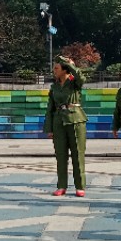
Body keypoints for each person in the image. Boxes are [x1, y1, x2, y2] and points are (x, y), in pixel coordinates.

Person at [45, 55, 87, 197]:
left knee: (77, 155)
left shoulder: (75, 82)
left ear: (64, 70)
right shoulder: (54, 86)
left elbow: (82, 79)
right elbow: (50, 108)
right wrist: (49, 128)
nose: (54, 71)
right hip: (59, 121)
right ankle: (61, 185)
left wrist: (71, 65)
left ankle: (80, 186)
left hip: (76, 120)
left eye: (56, 68)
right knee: (61, 156)